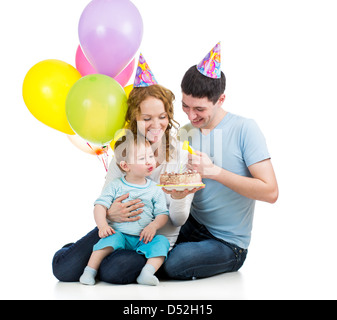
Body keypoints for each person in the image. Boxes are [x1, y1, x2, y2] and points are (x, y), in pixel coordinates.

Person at [52, 54, 202, 284]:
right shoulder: (125, 153)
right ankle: (74, 252)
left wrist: (180, 197)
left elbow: (178, 220)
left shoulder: (181, 156)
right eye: (147, 118)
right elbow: (105, 200)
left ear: (169, 116)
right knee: (63, 270)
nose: (156, 125)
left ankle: (95, 260)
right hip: (119, 232)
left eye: (162, 116)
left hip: (154, 241)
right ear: (135, 118)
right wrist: (110, 215)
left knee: (115, 272)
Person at [163, 42, 279, 279]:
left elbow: (271, 192)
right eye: (185, 106)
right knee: (141, 245)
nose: (190, 115)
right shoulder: (185, 132)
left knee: (174, 263)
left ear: (220, 99)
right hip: (191, 224)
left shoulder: (245, 129)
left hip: (228, 242)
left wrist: (214, 171)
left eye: (199, 109)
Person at [79, 134, 170, 286]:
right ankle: (89, 271)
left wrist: (153, 226)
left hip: (143, 238)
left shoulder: (155, 189)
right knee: (106, 243)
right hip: (119, 234)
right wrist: (103, 226)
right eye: (142, 158)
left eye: (150, 155)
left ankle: (147, 273)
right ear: (125, 166)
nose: (149, 161)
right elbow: (100, 206)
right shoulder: (116, 186)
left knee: (162, 242)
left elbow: (162, 214)